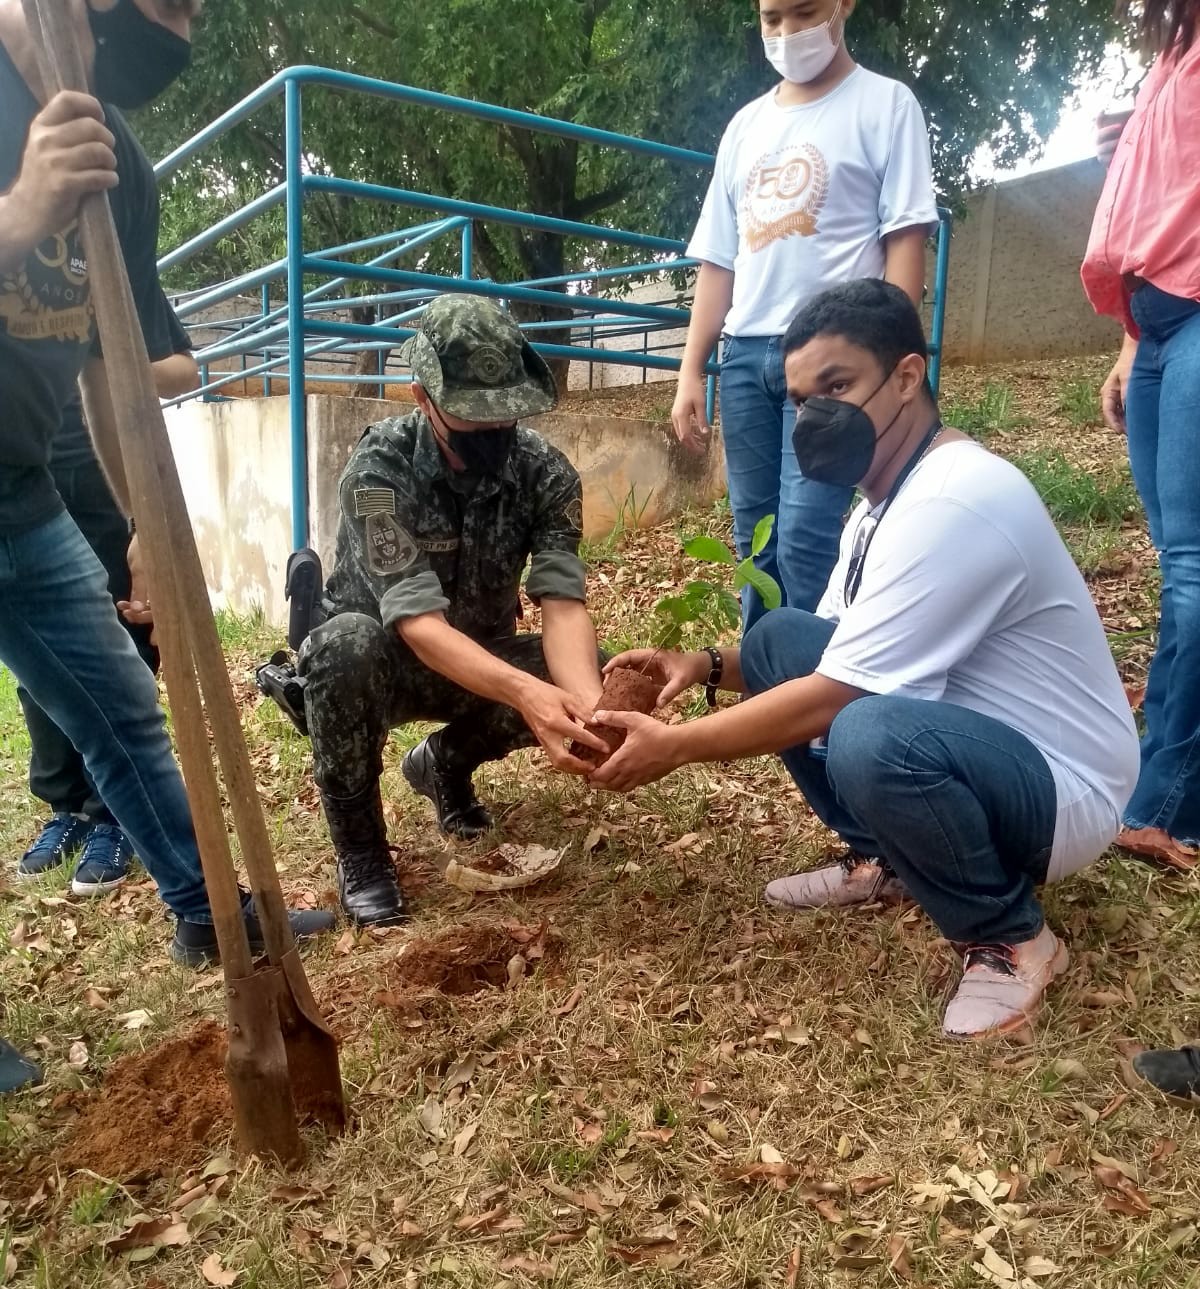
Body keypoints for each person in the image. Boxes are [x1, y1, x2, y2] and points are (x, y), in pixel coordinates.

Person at [592, 280, 1140, 1039]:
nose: (817, 415)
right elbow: (820, 657)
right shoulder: (879, 505)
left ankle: (1011, 938)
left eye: (839, 385)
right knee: (778, 637)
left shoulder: (955, 498)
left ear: (908, 377)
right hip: (981, 740)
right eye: (802, 396)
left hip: (1062, 789)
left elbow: (832, 696)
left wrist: (677, 749)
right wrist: (706, 666)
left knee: (867, 735)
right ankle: (890, 861)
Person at [0, 0, 332, 966]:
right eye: (174, 4)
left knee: (120, 704)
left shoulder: (123, 168)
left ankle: (211, 917)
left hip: (21, 492)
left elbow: (110, 374)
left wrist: (144, 523)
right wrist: (22, 212)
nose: (183, 29)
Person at [302, 294, 608, 928]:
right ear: (423, 398)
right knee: (345, 646)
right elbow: (417, 624)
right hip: (381, 661)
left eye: (506, 419)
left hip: (480, 655)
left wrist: (588, 712)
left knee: (585, 679)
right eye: (474, 420)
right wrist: (528, 695)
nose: (496, 436)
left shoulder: (546, 474)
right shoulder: (379, 468)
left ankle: (443, 764)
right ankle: (361, 853)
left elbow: (562, 601)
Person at [672, 0, 938, 629]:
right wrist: (690, 370)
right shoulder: (743, 128)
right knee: (755, 547)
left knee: (804, 539)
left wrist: (896, 356)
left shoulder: (886, 106)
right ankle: (765, 707)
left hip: (830, 369)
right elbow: (718, 261)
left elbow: (906, 242)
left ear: (844, 5)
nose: (788, 32)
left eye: (805, 12)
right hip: (744, 362)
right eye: (771, 18)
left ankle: (813, 709)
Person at [18, 310, 195, 897]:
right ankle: (66, 806)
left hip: (98, 469)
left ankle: (111, 818)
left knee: (115, 646)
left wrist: (101, 359)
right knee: (40, 667)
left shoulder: (108, 238)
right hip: (22, 472)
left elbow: (183, 369)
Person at [1082, 0, 1200, 872]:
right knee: (1176, 561)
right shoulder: (1172, 51)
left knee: (1195, 567)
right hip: (1157, 321)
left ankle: (1170, 804)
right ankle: (1157, 770)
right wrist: (1130, 343)